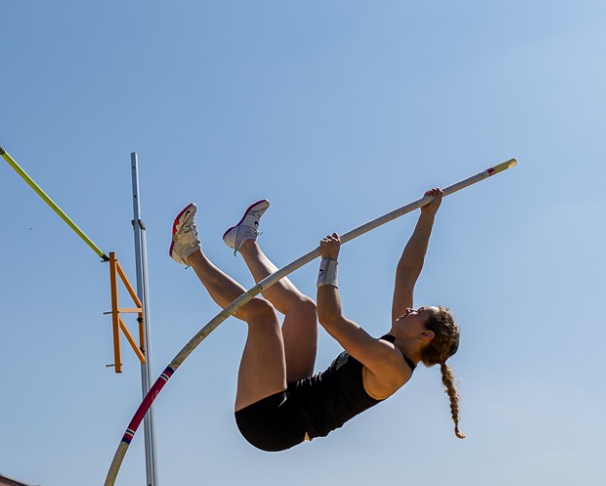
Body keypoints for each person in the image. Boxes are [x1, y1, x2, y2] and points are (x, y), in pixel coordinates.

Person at [168, 191, 464, 453]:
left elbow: (331, 319)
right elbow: (406, 274)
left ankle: (189, 251)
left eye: (419, 312)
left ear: (426, 335)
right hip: (294, 392)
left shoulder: (392, 366)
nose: (410, 310)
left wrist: (329, 261)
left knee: (262, 314)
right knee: (303, 310)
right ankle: (244, 240)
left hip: (270, 421)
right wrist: (427, 216)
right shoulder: (400, 339)